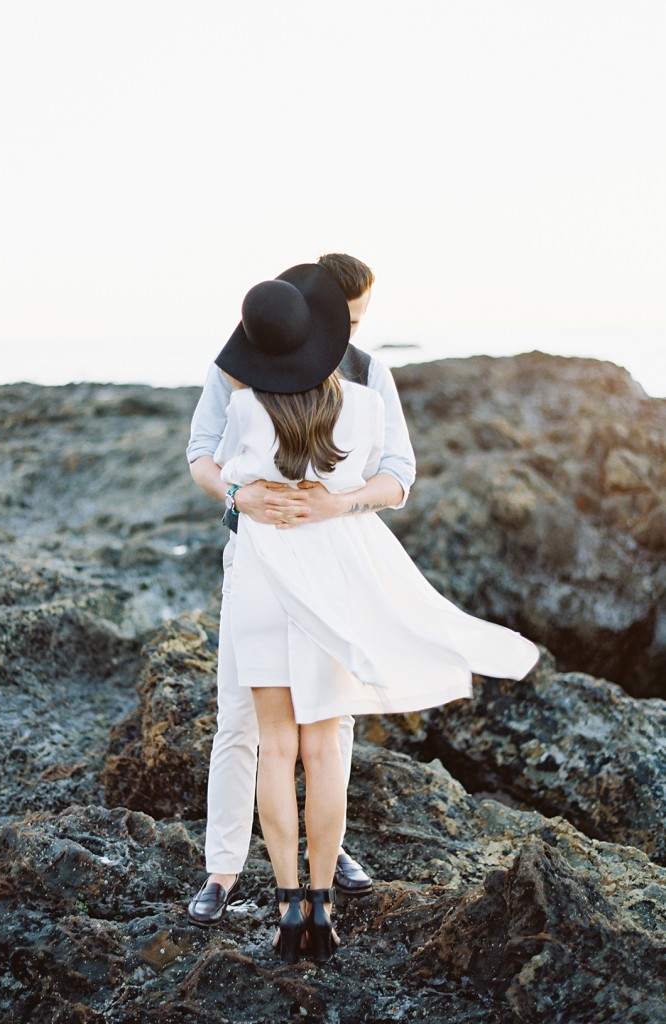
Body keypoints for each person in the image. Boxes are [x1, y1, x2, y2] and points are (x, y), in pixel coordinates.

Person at [207, 263, 538, 962]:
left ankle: (287, 909)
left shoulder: (240, 406)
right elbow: (389, 477)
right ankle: (323, 910)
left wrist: (250, 493)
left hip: (262, 581)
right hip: (331, 579)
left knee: (275, 747)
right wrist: (335, 498)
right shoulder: (360, 404)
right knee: (326, 748)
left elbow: (219, 467)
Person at [186, 255, 416, 927]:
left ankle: (327, 849)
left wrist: (332, 506)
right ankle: (222, 869)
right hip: (253, 564)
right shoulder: (236, 364)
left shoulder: (371, 374)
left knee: (330, 717)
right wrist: (238, 491)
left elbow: (399, 474)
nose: (350, 333)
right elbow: (202, 450)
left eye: (357, 322)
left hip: (332, 567)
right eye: (342, 320)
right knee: (239, 718)